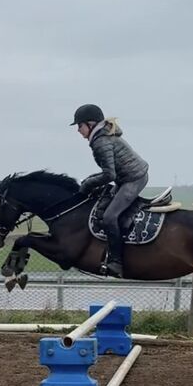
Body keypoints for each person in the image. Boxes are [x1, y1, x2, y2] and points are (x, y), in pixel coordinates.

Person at [70, 104, 149, 278]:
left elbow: (109, 175)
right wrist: (90, 181)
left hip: (133, 179)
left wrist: (87, 184)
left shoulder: (101, 142)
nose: (78, 130)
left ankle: (116, 262)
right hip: (126, 178)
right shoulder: (101, 137)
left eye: (80, 125)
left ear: (90, 124)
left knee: (109, 217)